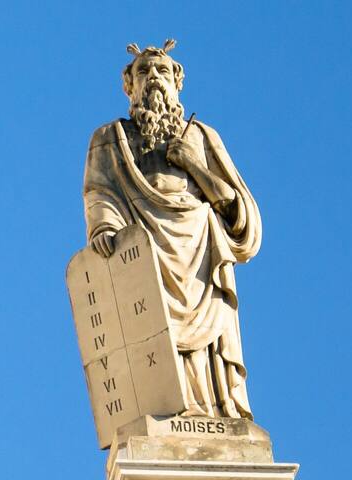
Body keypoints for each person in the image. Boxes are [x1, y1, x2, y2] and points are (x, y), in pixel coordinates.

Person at [82, 40, 263, 419]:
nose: (154, 79)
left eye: (162, 71)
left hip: (200, 251)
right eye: (143, 72)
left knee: (206, 359)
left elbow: (240, 213)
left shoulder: (202, 136)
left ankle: (215, 411)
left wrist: (195, 166)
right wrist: (104, 227)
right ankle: (166, 411)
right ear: (129, 85)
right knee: (150, 337)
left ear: (177, 81)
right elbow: (101, 192)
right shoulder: (109, 137)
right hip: (145, 254)